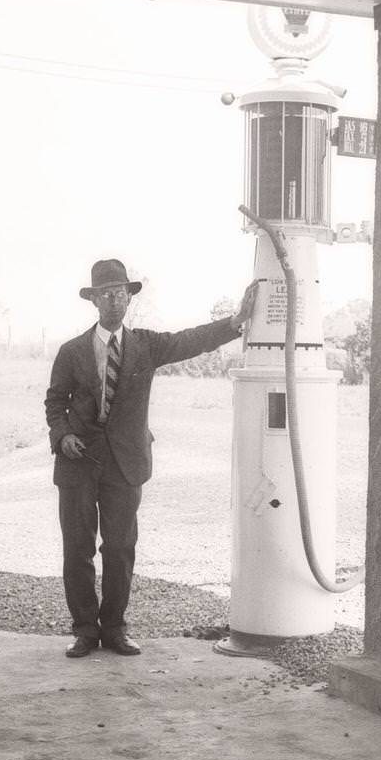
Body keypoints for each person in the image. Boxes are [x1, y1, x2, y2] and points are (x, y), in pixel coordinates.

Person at [45, 259, 258, 658]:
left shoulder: (146, 345)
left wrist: (237, 320)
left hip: (126, 464)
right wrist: (64, 435)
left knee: (121, 548)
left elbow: (191, 339)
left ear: (129, 298)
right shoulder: (71, 351)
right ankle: (85, 631)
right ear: (93, 300)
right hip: (78, 464)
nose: (114, 300)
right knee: (78, 548)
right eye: (105, 293)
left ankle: (115, 629)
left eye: (120, 292)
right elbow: (55, 401)